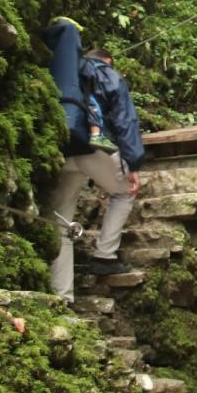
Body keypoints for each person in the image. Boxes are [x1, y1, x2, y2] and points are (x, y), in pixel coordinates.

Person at [43, 21, 145, 303]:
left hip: (64, 147)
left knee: (61, 222)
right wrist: (134, 163)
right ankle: (104, 255)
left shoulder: (63, 70)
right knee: (125, 193)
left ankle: (62, 296)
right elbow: (125, 120)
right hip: (94, 148)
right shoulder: (107, 74)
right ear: (107, 60)